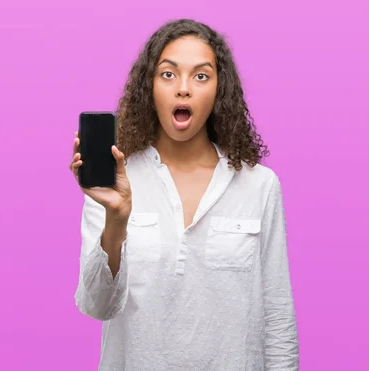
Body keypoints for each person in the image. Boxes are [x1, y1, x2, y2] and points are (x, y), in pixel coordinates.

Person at [69, 19, 299, 370]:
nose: (184, 89)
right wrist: (117, 219)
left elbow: (277, 315)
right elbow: (97, 306)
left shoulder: (260, 185)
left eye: (201, 76)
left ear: (220, 90)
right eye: (168, 74)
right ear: (150, 88)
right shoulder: (114, 184)